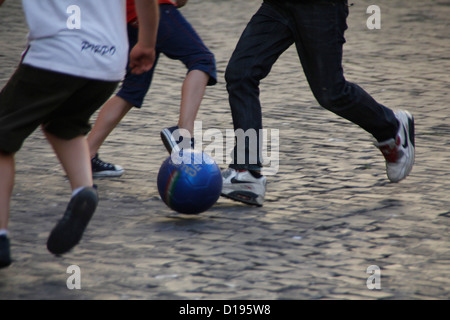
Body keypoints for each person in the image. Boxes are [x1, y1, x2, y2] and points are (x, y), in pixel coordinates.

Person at [0, 0, 159, 268]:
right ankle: (83, 190)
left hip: (55, 55)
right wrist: (146, 43)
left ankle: (0, 236)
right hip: (108, 62)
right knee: (64, 123)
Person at [221, 0, 415, 207]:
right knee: (241, 74)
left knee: (331, 92)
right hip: (278, 4)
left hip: (321, 6)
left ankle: (391, 127)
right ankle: (247, 173)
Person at [88, 0, 217, 178]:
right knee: (202, 60)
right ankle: (183, 136)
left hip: (126, 17)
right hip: (154, 9)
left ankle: (86, 155)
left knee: (131, 90)